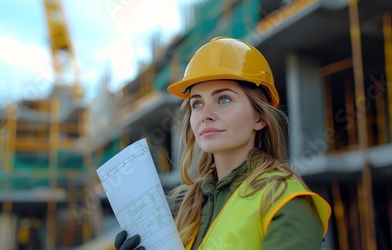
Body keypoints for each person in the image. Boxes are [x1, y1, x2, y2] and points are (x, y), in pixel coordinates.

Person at [114, 36, 331, 249]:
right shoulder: (189, 206)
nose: (205, 114)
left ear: (260, 117)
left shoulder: (285, 201)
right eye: (197, 103)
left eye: (223, 99)